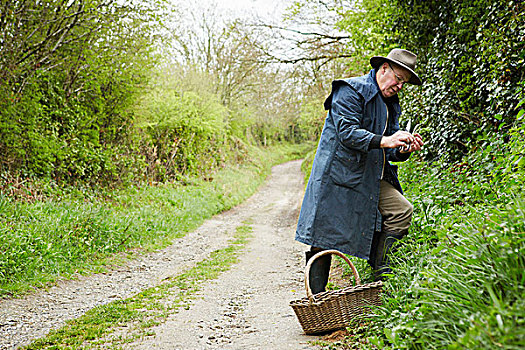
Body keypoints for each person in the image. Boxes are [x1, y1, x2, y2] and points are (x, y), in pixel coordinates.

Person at [295, 48, 424, 292]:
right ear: (383, 68)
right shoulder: (350, 90)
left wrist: (403, 148)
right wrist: (385, 140)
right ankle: (316, 302)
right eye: (398, 78)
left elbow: (389, 148)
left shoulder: (390, 104)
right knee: (322, 237)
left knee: (401, 211)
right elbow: (347, 133)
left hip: (372, 176)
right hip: (337, 176)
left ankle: (379, 279)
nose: (399, 86)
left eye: (404, 83)